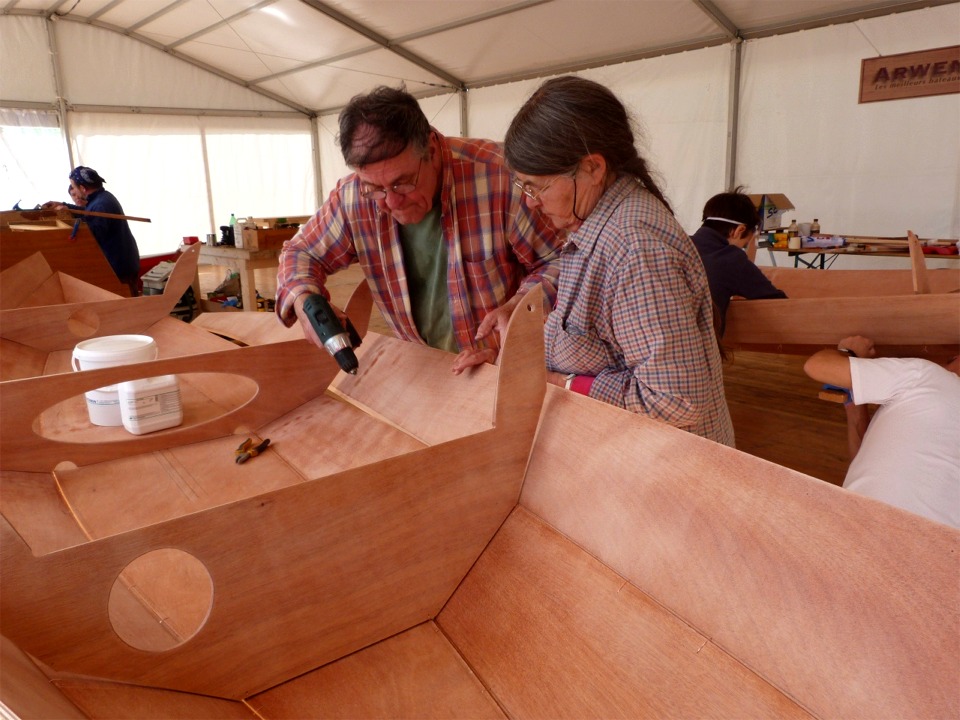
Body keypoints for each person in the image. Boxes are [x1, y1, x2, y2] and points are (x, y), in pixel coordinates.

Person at [483, 75, 734, 446]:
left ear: (593, 168)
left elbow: (676, 400)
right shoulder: (602, 221)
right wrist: (514, 344)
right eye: (524, 187)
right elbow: (600, 329)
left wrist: (560, 383)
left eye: (537, 186)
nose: (531, 202)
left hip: (668, 469)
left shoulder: (636, 248)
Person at [275, 85, 563, 362]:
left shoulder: (500, 177)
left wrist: (520, 307)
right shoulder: (353, 197)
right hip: (420, 366)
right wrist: (304, 300)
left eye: (403, 183)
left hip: (500, 363)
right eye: (375, 188)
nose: (390, 202)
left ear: (433, 149)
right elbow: (300, 253)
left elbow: (559, 261)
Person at [803, 336, 960, 528]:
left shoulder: (927, 375)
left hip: (863, 531)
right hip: (939, 549)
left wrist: (849, 353)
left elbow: (817, 365)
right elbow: (869, 462)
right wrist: (854, 403)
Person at [690, 189, 786, 336]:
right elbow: (778, 302)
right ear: (739, 230)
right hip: (701, 348)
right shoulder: (730, 258)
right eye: (745, 244)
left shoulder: (680, 245)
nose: (744, 248)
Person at [44, 167, 141, 295]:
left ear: (83, 188)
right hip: (123, 262)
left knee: (126, 308)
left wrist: (67, 226)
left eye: (74, 187)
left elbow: (93, 234)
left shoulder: (101, 204)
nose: (74, 191)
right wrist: (65, 206)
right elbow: (88, 213)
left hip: (119, 267)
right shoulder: (102, 197)